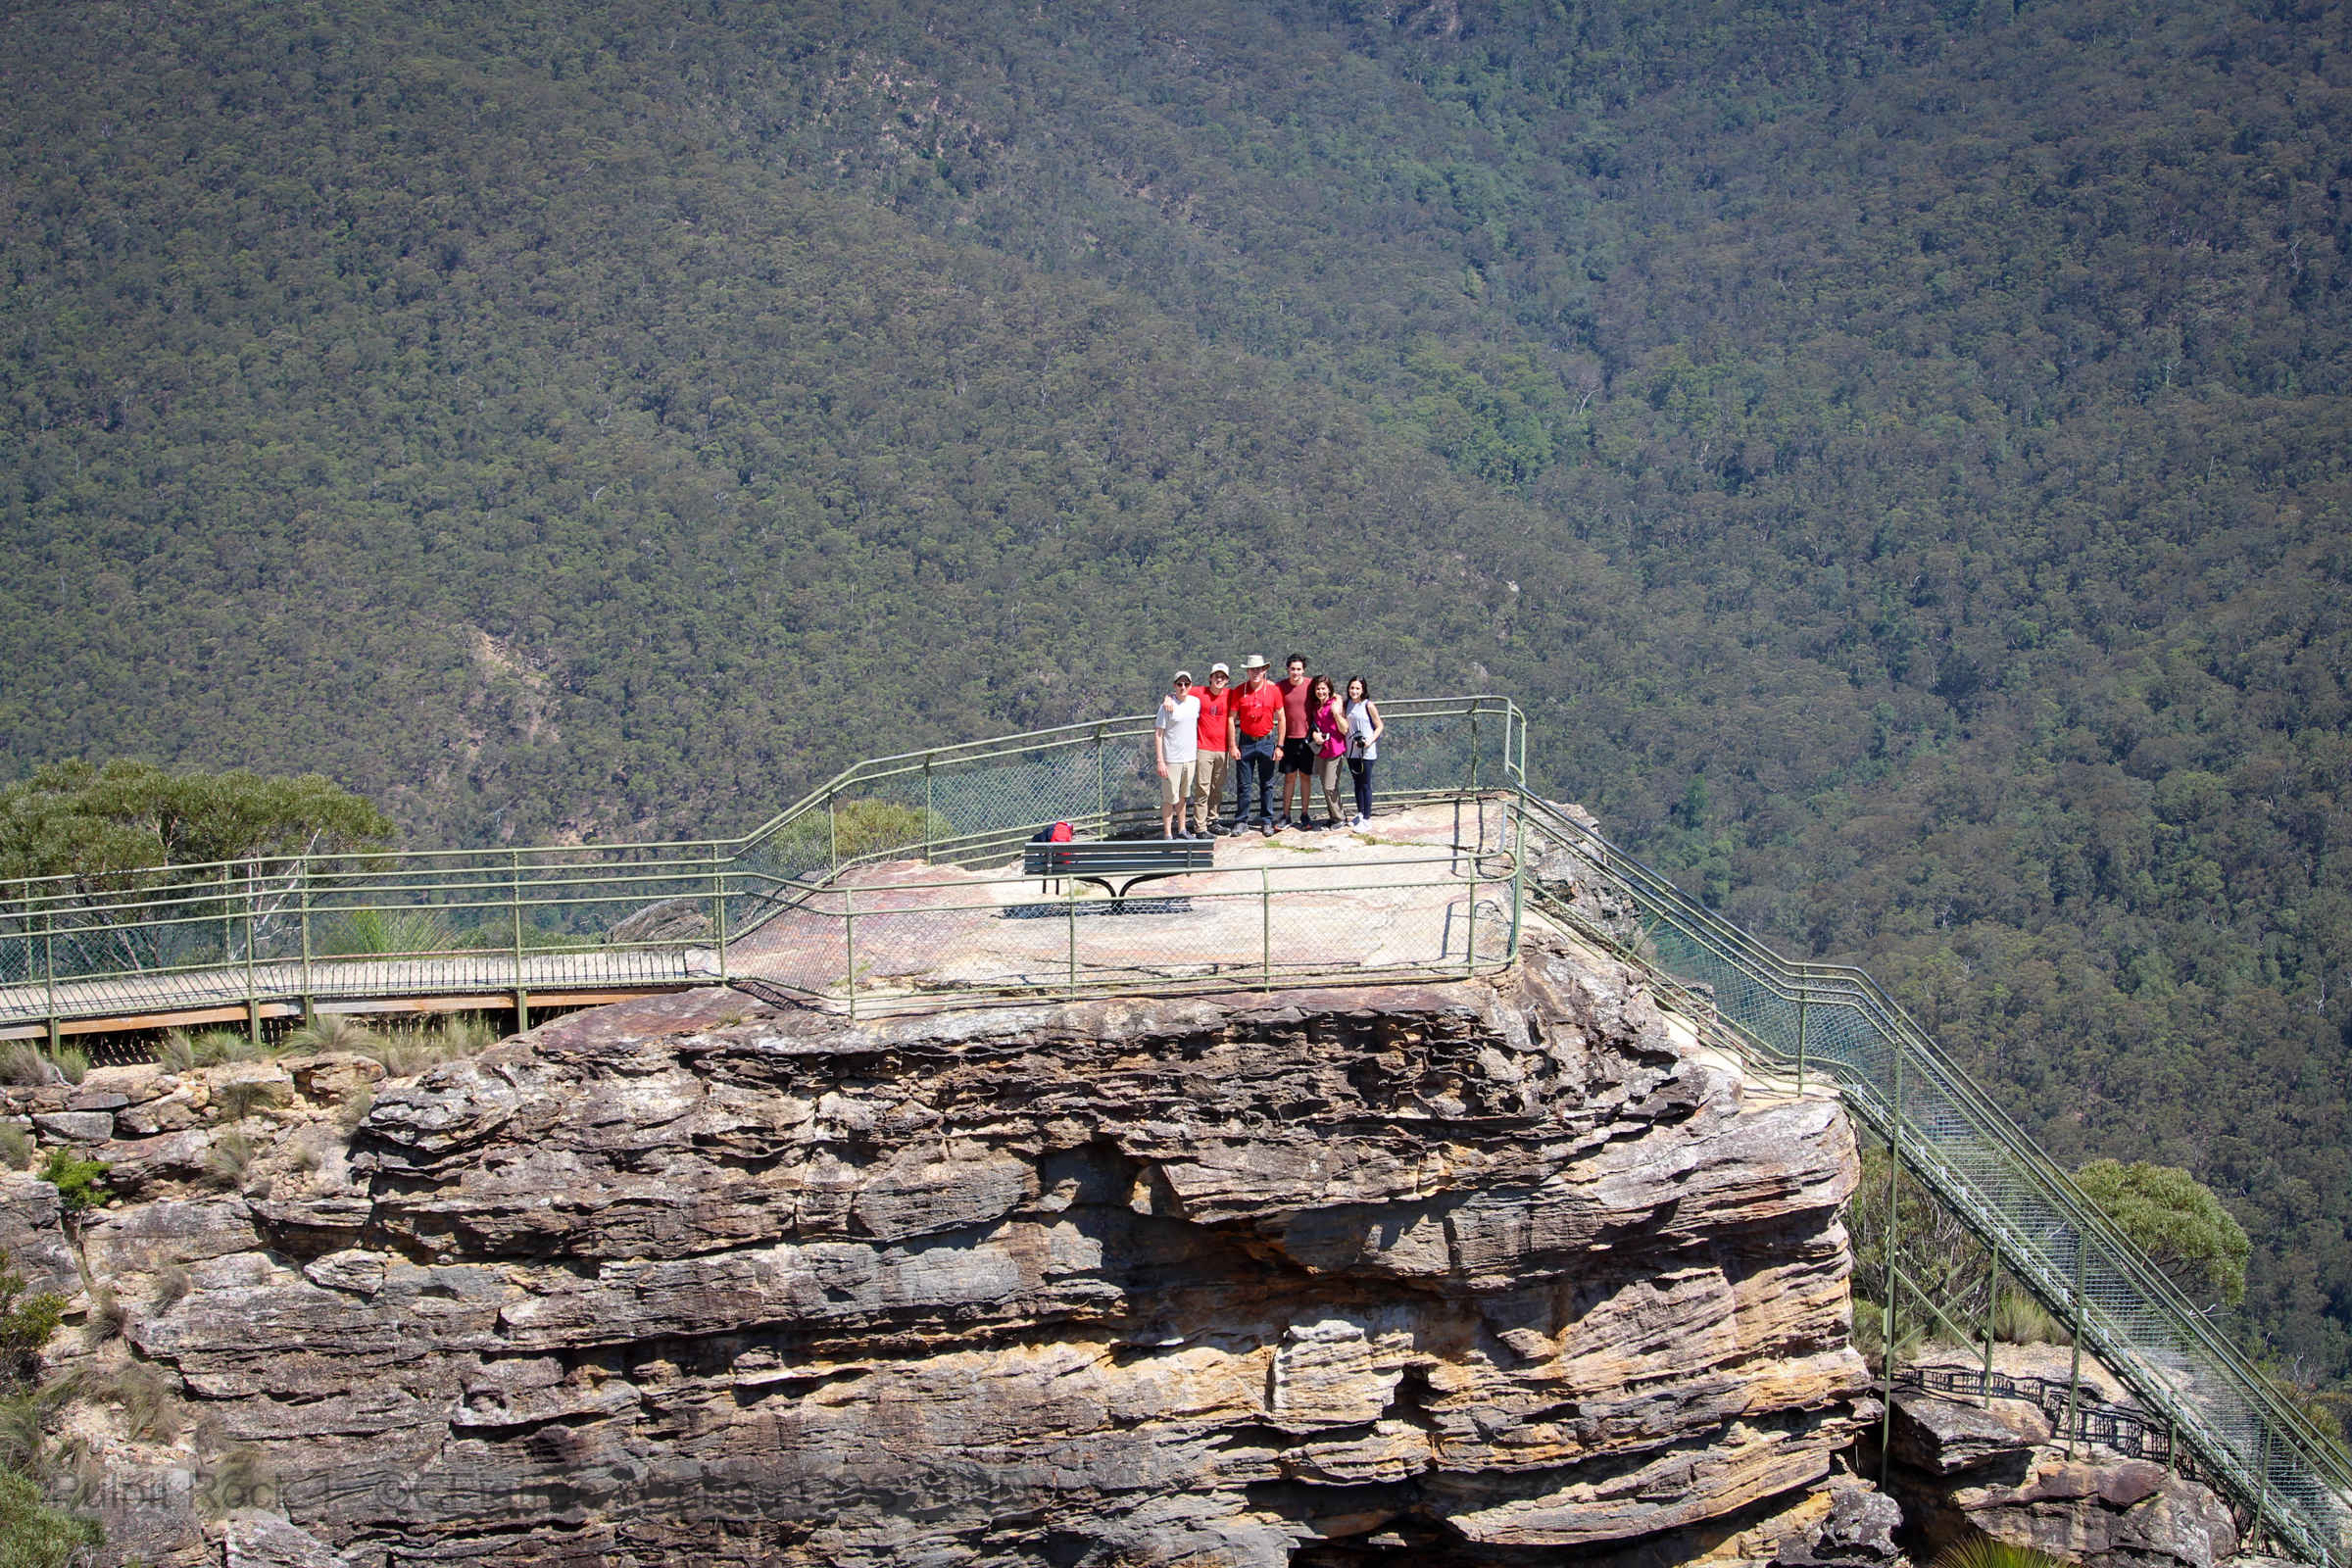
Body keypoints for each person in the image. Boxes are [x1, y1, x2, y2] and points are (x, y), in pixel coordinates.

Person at [1228, 654, 1285, 834]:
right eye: (1252, 669)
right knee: (1244, 784)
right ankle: (1241, 820)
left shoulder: (1273, 691)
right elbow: (1231, 718)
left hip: (1267, 741)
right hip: (1245, 742)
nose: (1255, 673)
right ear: (1247, 671)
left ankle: (1266, 819)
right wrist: (1232, 745)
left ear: (1264, 670)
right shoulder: (1239, 691)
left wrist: (1280, 745)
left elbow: (1282, 718)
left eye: (1258, 669)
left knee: (1267, 783)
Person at [1187, 662, 1238, 835]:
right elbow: (1180, 691)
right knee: (1203, 788)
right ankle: (1200, 826)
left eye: (1222, 677)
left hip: (1223, 749)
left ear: (1227, 680)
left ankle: (1213, 820)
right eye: (1216, 675)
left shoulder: (1231, 695)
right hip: (1204, 748)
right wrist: (1168, 699)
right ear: (1210, 677)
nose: (1219, 679)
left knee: (1217, 787)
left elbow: (1250, 693)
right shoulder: (1199, 692)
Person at [1155, 669, 1202, 839]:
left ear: (1191, 685)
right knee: (1169, 798)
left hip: (1189, 758)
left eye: (1186, 684)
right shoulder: (1166, 707)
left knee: (1183, 796)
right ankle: (1167, 834)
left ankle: (1182, 829)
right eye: (1179, 684)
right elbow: (1159, 733)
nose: (1183, 687)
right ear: (1174, 685)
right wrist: (1160, 760)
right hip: (1171, 759)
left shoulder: (1195, 702)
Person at [1275, 654, 1315, 828]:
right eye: (1292, 669)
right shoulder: (1280, 687)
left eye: (1299, 669)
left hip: (1307, 739)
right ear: (1287, 669)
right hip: (1288, 739)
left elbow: (1328, 693)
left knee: (1305, 777)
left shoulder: (1311, 685)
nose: (1295, 672)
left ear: (1303, 670)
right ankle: (1286, 814)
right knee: (1289, 778)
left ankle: (1305, 814)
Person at [1304, 673, 1348, 829]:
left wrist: (1336, 713)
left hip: (1335, 750)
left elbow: (1344, 729)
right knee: (1325, 785)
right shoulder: (1317, 706)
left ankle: (1340, 817)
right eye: (1318, 689)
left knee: (1330, 785)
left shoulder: (1334, 704)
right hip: (1322, 750)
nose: (1320, 692)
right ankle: (1333, 816)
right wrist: (1315, 735)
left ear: (1329, 690)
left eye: (1323, 689)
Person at [1344, 676, 1383, 828]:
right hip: (1351, 749)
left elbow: (1379, 726)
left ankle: (1367, 819)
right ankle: (1360, 813)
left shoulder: (1368, 705)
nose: (1354, 691)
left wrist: (1370, 741)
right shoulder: (1346, 705)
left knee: (1365, 784)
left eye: (1358, 688)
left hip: (1367, 751)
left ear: (1363, 690)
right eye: (1352, 688)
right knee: (1357, 782)